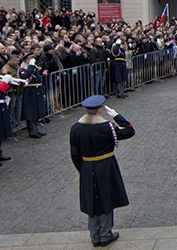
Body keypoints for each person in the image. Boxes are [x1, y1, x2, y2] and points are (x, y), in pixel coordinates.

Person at [69, 95, 135, 247]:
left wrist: (83, 168)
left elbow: (74, 154)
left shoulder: (76, 128)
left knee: (91, 200)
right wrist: (117, 116)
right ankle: (105, 234)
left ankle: (94, 234)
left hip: (87, 165)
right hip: (105, 165)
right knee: (106, 198)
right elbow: (130, 131)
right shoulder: (107, 127)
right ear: (100, 110)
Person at [18, 54, 48, 138]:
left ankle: (36, 129)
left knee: (36, 111)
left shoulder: (33, 67)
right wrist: (31, 65)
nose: (33, 60)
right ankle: (32, 130)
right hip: (29, 92)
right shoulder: (24, 68)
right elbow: (25, 76)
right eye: (30, 58)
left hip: (36, 90)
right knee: (30, 112)